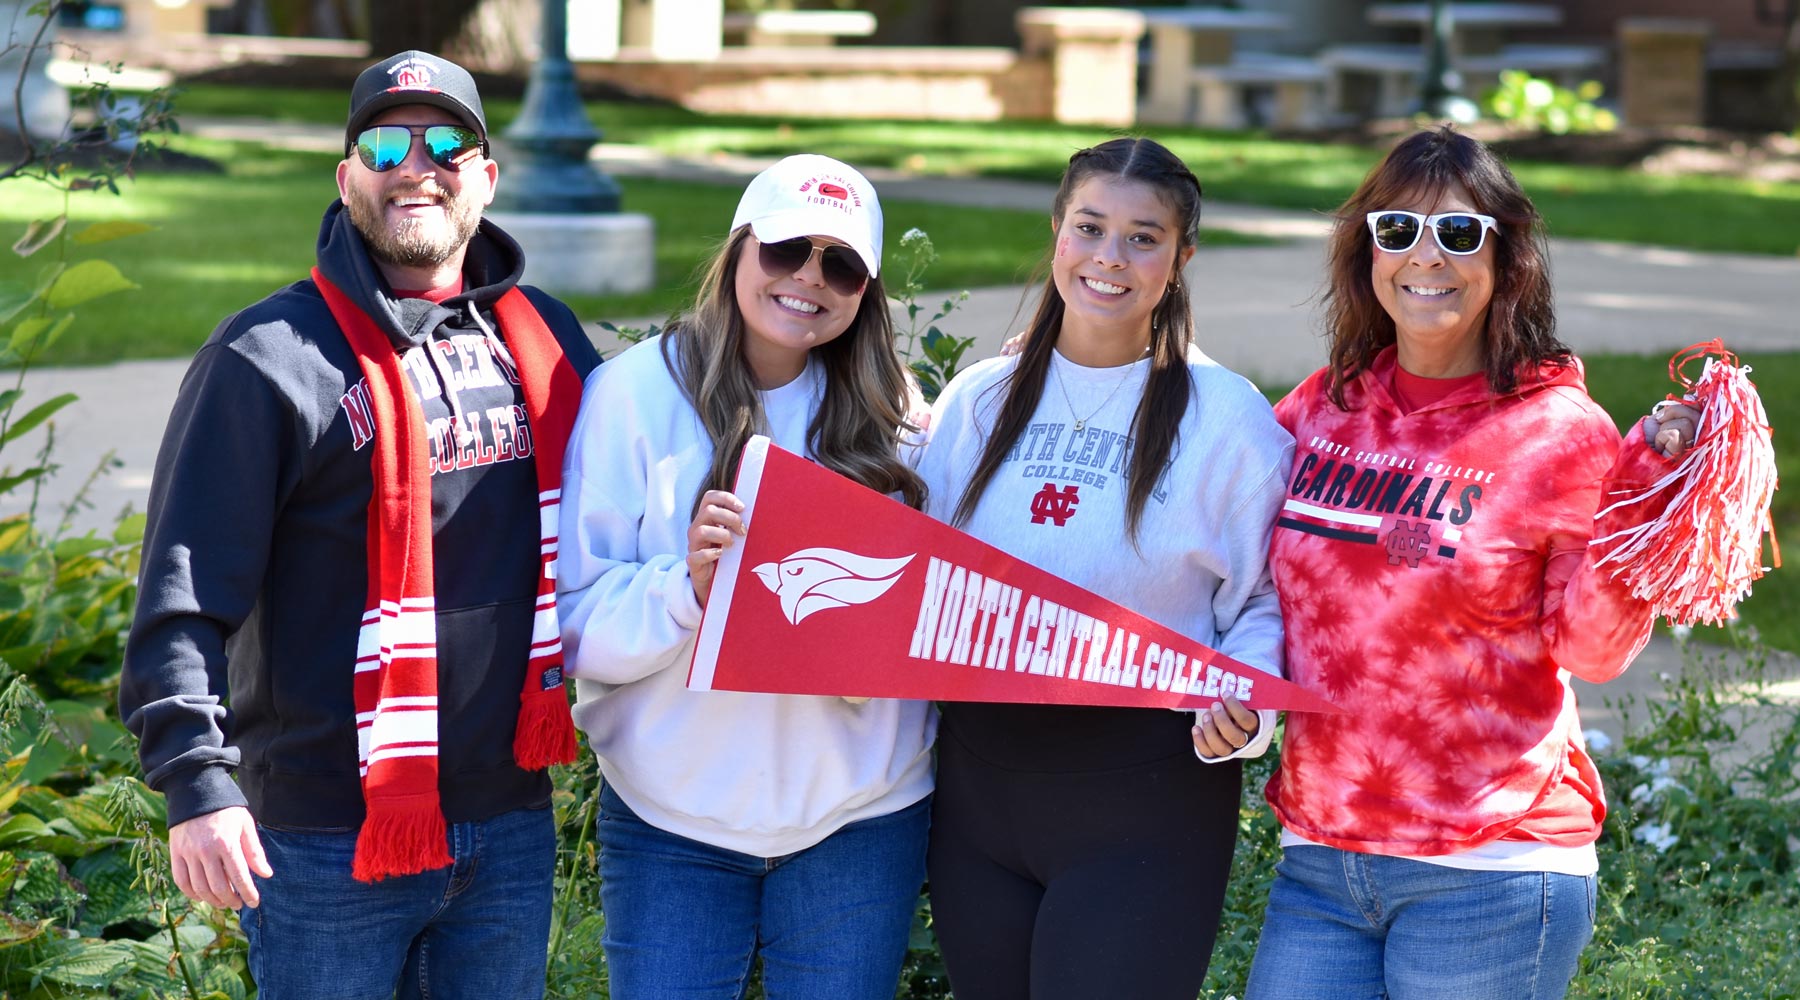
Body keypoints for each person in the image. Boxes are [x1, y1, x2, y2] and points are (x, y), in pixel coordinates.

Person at [119, 50, 600, 998]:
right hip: (323, 839)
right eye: (384, 142)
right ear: (347, 180)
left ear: (486, 177)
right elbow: (181, 595)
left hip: (508, 823)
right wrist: (196, 786)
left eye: (446, 142)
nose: (415, 164)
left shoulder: (549, 344)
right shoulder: (268, 360)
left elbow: (670, 448)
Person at [1245, 126, 1695, 1000]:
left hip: (1495, 866)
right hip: (1324, 861)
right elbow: (1221, 531)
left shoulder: (1559, 433)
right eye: (1397, 230)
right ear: (1366, 251)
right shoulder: (1324, 406)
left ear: (1504, 258)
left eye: (1458, 234)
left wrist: (1641, 497)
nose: (1426, 257)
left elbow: (1594, 651)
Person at [913, 136, 1294, 1000]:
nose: (1108, 259)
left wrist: (1250, 698)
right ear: (1056, 230)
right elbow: (921, 571)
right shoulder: (979, 399)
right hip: (978, 792)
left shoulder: (1226, 421)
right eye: (1089, 227)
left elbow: (1264, 598)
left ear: (1181, 257)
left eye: (1142, 237)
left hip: (1145, 798)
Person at [556, 153, 935, 999]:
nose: (808, 278)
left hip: (860, 816)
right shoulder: (632, 396)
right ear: (737, 251)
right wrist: (686, 590)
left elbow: (936, 605)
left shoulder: (896, 412)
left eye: (840, 264)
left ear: (865, 291)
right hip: (670, 817)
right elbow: (573, 619)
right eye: (785, 248)